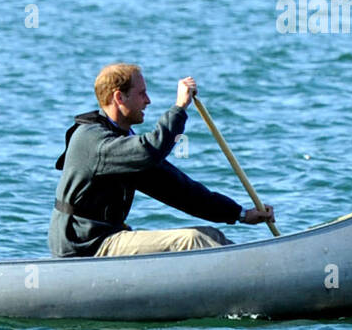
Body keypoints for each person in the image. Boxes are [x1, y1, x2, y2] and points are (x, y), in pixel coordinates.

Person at [50, 63, 275, 257]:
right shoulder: (94, 140)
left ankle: (261, 275)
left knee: (210, 236)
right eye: (142, 94)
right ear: (119, 97)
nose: (148, 101)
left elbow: (180, 191)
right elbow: (151, 149)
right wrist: (179, 108)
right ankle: (261, 283)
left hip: (105, 236)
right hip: (84, 244)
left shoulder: (122, 144)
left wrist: (240, 214)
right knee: (193, 241)